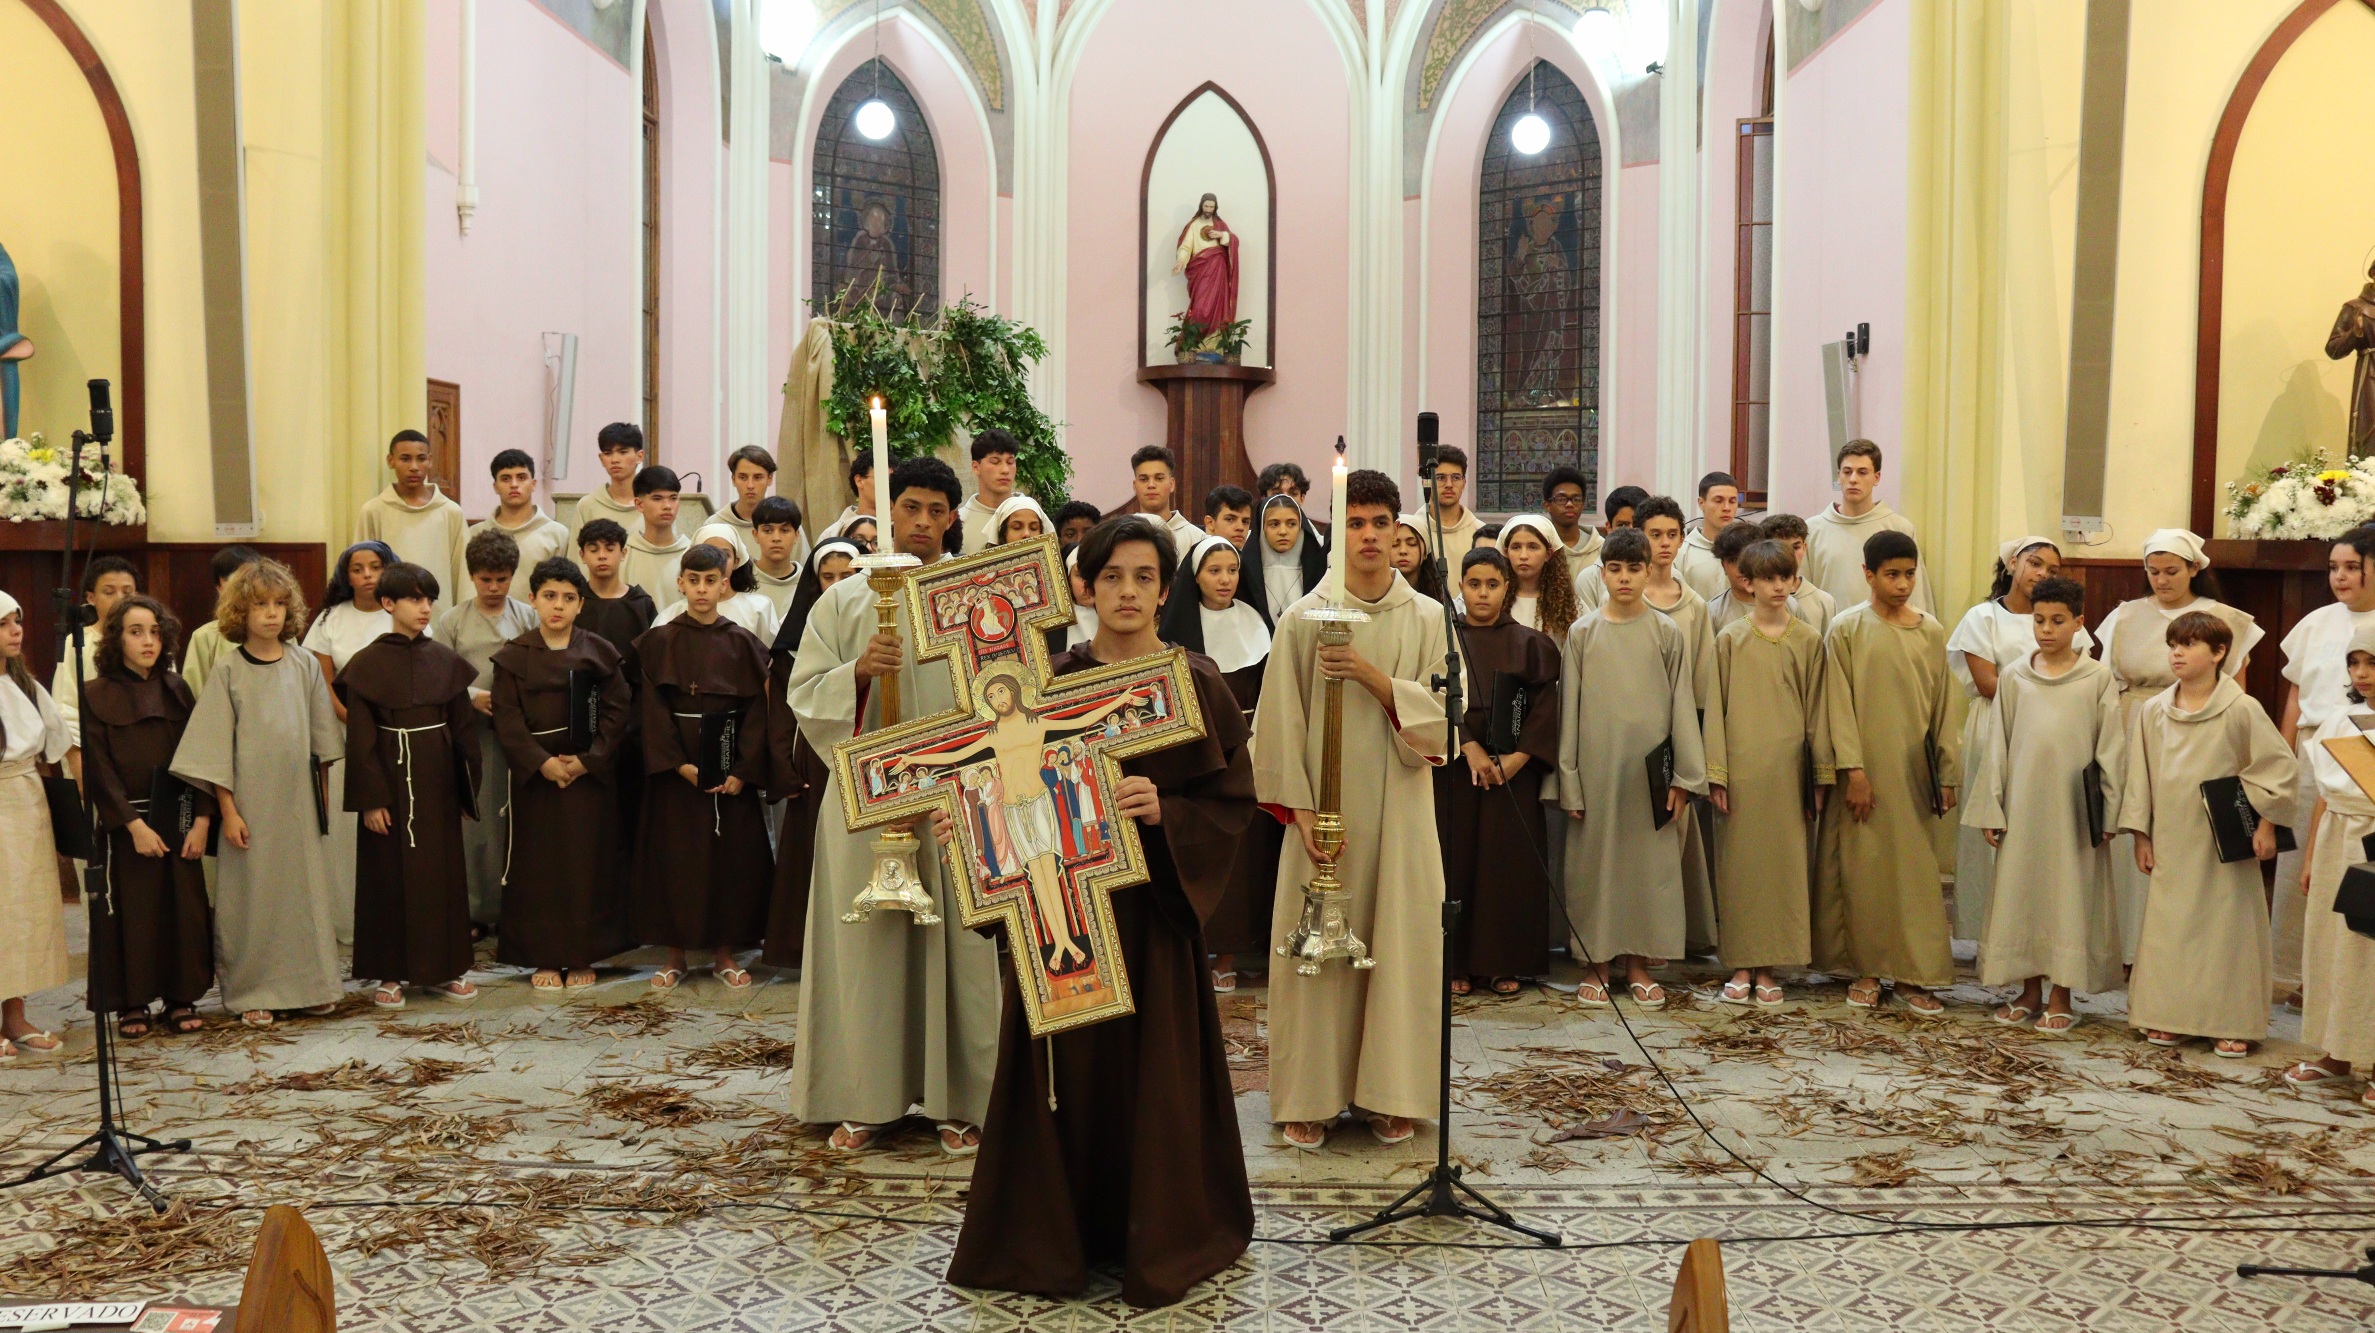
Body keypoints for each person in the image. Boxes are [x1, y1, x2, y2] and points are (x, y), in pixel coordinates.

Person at [945, 517, 1258, 1309]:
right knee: (1062, 1077)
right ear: (1084, 585)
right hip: (1065, 921)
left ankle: (1161, 1232)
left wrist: (1167, 810)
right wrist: (970, 825)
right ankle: (1056, 1236)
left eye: (1143, 577)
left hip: (1151, 915)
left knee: (1154, 1075)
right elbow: (1001, 790)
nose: (1126, 591)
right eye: (1110, 575)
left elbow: (1232, 804)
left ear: (1164, 588)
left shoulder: (1193, 679)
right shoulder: (1042, 683)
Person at [785, 456, 1000, 1156]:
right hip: (864, 803)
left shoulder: (976, 599)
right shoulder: (844, 600)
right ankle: (863, 1096)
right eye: (912, 507)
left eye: (938, 512)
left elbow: (1003, 694)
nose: (924, 523)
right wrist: (855, 673)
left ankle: (962, 1098)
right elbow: (803, 690)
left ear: (953, 518)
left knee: (960, 949)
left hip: (954, 800)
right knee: (865, 953)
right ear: (887, 507)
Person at [1254, 468, 1449, 1151]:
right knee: (1313, 953)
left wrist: (1367, 673)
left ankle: (1390, 1093)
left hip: (1400, 813)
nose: (1368, 535)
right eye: (1355, 523)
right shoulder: (1303, 616)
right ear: (1338, 532)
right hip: (1321, 819)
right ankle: (1307, 1095)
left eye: (1379, 523)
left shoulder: (1426, 617)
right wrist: (1300, 812)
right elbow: (1277, 721)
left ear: (1399, 531)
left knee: (1399, 944)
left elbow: (1442, 727)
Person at [172, 560, 345, 1028]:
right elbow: (213, 749)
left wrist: (322, 801)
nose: (271, 614)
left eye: (279, 604)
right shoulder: (228, 671)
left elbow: (322, 744)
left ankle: (311, 985)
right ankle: (253, 991)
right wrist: (227, 811)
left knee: (303, 894)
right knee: (252, 899)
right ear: (239, 612)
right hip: (249, 805)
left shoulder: (305, 663)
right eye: (260, 605)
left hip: (298, 804)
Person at [2122, 611, 2295, 1056]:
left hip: (2224, 839)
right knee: (2171, 925)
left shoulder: (2242, 708)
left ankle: (2230, 1019)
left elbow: (2277, 766)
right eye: (2173, 644)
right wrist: (2142, 835)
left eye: (2190, 644)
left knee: (2226, 929)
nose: (2177, 652)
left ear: (2220, 653)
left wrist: (2268, 824)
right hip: (2173, 837)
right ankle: (2167, 1014)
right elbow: (2139, 776)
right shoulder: (2154, 710)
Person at [1963, 577, 2124, 1033]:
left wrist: (2109, 813)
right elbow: (1999, 745)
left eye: (2057, 621)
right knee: (2023, 892)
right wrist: (1992, 807)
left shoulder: (2097, 677)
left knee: (2068, 897)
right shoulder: (2015, 675)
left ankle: (2061, 995)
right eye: (2038, 621)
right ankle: (2029, 990)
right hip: (2024, 806)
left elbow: (2111, 747)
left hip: (2073, 812)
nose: (2046, 630)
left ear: (2079, 623)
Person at [1557, 527, 1705, 1008]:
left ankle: (1638, 962)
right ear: (1601, 574)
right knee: (1594, 865)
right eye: (1615, 569)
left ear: (1649, 571)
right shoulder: (1582, 634)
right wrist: (1569, 783)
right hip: (1597, 771)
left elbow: (1682, 704)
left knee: (1648, 867)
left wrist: (1685, 777)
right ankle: (1596, 962)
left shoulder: (1666, 631)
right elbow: (1569, 713)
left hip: (1650, 775)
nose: (1624, 578)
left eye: (1634, 568)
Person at [2099, 528, 2262, 966]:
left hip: (2198, 733)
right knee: (2137, 824)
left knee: (2186, 836)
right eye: (2152, 571)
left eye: (2171, 571)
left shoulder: (2221, 617)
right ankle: (2131, 947)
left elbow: (2236, 692)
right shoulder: (2127, 615)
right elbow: (2107, 683)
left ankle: (2182, 951)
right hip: (2134, 723)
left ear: (2194, 568)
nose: (2161, 580)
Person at [1814, 530, 1958, 1016]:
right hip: (1865, 773)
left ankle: (1915, 971)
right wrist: (1853, 771)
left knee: (1915, 875)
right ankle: (1868, 969)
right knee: (1865, 872)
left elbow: (1942, 707)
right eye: (1892, 574)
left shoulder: (1931, 632)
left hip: (1914, 774)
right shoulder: (1847, 629)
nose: (1902, 584)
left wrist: (1947, 773)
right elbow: (1838, 703)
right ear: (1868, 575)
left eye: (1909, 574)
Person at [632, 544, 774, 991]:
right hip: (678, 775)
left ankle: (725, 953)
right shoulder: (659, 642)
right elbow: (651, 710)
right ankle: (675, 955)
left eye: (710, 581)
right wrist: (678, 764)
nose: (701, 589)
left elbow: (756, 712)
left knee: (729, 862)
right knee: (676, 860)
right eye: (692, 581)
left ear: (723, 583)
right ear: (680, 583)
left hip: (730, 773)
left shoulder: (741, 642)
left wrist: (743, 770)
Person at [343, 563, 482, 1010]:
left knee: (441, 875)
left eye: (429, 599)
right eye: (415, 599)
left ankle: (447, 969)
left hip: (438, 783)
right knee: (387, 876)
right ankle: (390, 972)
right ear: (388, 604)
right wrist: (371, 800)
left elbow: (463, 731)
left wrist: (466, 789)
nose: (425, 608)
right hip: (388, 785)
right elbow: (360, 739)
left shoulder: (444, 661)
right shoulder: (366, 666)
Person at [491, 558, 633, 991]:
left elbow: (617, 710)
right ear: (532, 599)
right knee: (541, 867)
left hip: (587, 775)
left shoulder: (599, 652)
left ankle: (583, 954)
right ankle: (545, 957)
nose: (558, 606)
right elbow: (507, 718)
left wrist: (588, 760)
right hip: (538, 777)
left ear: (580, 604)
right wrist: (542, 762)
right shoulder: (514, 655)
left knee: (586, 862)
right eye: (549, 596)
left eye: (568, 598)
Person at [1946, 537, 2095, 940]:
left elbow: (2078, 676)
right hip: (1995, 726)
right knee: (1991, 828)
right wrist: (2039, 699)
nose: (2043, 573)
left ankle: (2038, 931)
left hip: (2051, 736)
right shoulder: (1983, 617)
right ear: (2013, 564)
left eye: (2052, 568)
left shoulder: (2063, 621)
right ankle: (1986, 933)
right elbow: (1987, 681)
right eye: (2035, 563)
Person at [81, 595, 215, 1039]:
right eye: (136, 632)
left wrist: (201, 820)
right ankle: (132, 1001)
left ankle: (181, 998)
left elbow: (200, 760)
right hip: (129, 825)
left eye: (156, 632)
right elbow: (98, 769)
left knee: (185, 910)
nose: (148, 641)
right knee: (133, 913)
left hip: (178, 816)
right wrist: (133, 826)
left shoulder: (177, 690)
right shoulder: (96, 694)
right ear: (116, 637)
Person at [1708, 540, 1829, 1008]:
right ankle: (1742, 962)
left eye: (1787, 578)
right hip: (1741, 771)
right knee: (1741, 867)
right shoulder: (1730, 639)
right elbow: (1715, 711)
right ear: (1748, 583)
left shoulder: (1809, 640)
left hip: (1788, 774)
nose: (1779, 587)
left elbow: (1819, 710)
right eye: (1769, 579)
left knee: (1783, 866)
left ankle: (1772, 965)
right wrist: (1716, 773)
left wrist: (1819, 776)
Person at [1439, 547, 1559, 996]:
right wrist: (1468, 747)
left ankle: (1505, 962)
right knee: (1458, 862)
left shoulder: (1530, 642)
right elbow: (1436, 702)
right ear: (1461, 587)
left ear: (1507, 588)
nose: (1483, 594)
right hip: (1458, 769)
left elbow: (1546, 708)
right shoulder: (1445, 641)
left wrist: (1519, 757)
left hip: (1514, 772)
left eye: (1492, 584)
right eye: (1474, 584)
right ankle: (1456, 963)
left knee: (1507, 866)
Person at [1159, 533, 1276, 992]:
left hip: (1245, 749)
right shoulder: (1176, 629)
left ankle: (1228, 954)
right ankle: (1193, 951)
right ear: (1195, 576)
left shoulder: (1256, 623)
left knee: (1240, 859)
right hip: (1191, 757)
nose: (1224, 579)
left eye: (1231, 570)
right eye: (1214, 570)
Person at [2274, 527, 2375, 1005]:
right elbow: (2297, 694)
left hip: (2368, 752)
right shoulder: (2317, 622)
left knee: (2354, 868)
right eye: (2334, 567)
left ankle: (2347, 983)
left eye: (2352, 567)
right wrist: (2283, 752)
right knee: (2302, 864)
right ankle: (2296, 973)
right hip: (2316, 745)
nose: (2340, 577)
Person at [760, 537, 863, 972]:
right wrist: (782, 764)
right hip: (815, 756)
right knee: (811, 851)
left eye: (848, 575)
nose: (837, 584)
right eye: (828, 576)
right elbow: (784, 706)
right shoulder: (796, 635)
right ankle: (805, 949)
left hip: (862, 746)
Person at [432, 529, 538, 937]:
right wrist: (473, 695)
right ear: (472, 576)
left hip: (515, 735)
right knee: (475, 826)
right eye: (485, 579)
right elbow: (438, 674)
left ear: (513, 576)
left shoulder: (527, 617)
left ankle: (512, 907)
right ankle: (475, 911)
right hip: (471, 735)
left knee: (512, 821)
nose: (493, 588)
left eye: (502, 579)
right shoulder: (452, 620)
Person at [2286, 623, 2375, 1100]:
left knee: (2370, 952)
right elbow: (2323, 794)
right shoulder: (2342, 720)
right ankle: (2335, 1052)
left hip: (2373, 840)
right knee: (2330, 945)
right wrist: (2311, 858)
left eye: (2373, 662)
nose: (2362, 673)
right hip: (2338, 835)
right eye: (2355, 662)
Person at [303, 540, 403, 944]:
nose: (366, 576)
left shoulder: (402, 612)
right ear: (346, 576)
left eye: (375, 567)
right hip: (342, 732)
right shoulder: (330, 618)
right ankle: (344, 919)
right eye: (357, 569)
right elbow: (321, 678)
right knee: (346, 830)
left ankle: (389, 915)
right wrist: (348, 715)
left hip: (393, 732)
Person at [0, 590, 72, 1057]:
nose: (15, 631)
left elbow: (58, 747)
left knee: (23, 909)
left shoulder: (25, 684)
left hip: (24, 801)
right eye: (4, 624)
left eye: (17, 622)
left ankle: (14, 1014)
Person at [1803, 440, 1934, 615]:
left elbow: (1915, 595)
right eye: (1847, 472)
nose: (1853, 479)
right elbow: (1803, 594)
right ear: (1838, 476)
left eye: (1862, 472)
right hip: (1829, 635)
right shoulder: (1812, 530)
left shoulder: (1898, 528)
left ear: (1876, 477)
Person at [355, 429, 470, 607]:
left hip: (439, 613)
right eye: (405, 459)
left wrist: (461, 617)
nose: (414, 467)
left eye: (421, 458)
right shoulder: (373, 511)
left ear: (430, 460)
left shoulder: (450, 512)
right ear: (390, 460)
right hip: (389, 614)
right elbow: (363, 568)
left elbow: (462, 572)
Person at [50, 555, 139, 745]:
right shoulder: (76, 641)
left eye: (128, 592)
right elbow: (65, 705)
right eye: (109, 592)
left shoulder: (152, 640)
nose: (120, 599)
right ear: (91, 598)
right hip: (95, 746)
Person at [472, 448, 571, 587]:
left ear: (533, 484)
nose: (514, 485)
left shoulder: (558, 534)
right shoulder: (476, 534)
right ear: (495, 487)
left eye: (521, 477)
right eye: (505, 479)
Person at [180, 545, 262, 696]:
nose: (242, 588)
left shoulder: (279, 631)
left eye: (248, 580)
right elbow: (194, 693)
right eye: (233, 580)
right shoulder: (204, 637)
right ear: (219, 587)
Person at [1244, 493, 1327, 628]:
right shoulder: (1245, 572)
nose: (1283, 531)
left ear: (1300, 527)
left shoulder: (1317, 571)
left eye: (1291, 524)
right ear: (1262, 528)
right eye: (1274, 524)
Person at [564, 422, 649, 554]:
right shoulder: (588, 505)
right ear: (601, 458)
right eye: (608, 453)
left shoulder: (653, 504)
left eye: (623, 452)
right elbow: (576, 559)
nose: (615, 459)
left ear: (639, 456)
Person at [1496, 514, 1577, 643]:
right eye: (1516, 547)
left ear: (1548, 554)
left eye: (1532, 547)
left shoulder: (1569, 605)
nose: (1523, 555)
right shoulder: (1494, 599)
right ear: (1506, 552)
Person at [1755, 513, 1835, 634]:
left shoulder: (1823, 601)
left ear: (1804, 547)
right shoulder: (1755, 595)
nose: (1789, 555)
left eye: (1796, 547)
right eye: (1781, 547)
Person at [623, 466, 692, 604]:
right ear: (639, 504)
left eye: (673, 498)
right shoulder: (624, 554)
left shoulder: (691, 552)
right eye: (657, 498)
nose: (667, 506)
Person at [1122, 445, 1206, 550]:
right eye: (1144, 479)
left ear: (1172, 484)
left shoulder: (1197, 538)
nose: (1151, 485)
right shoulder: (1121, 534)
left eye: (1159, 478)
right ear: (1135, 486)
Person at [711, 445, 784, 564]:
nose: (750, 485)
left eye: (758, 477)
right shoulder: (714, 525)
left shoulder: (786, 524)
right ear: (734, 479)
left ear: (769, 479)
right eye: (743, 477)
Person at [1675, 471, 1742, 601]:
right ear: (1701, 503)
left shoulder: (1748, 548)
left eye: (1732, 501)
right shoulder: (1682, 552)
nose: (1727, 508)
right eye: (1718, 501)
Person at [958, 430, 1021, 555]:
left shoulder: (1031, 515)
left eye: (1010, 462)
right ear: (976, 467)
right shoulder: (960, 523)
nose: (1005, 470)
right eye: (995, 462)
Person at [745, 495, 805, 619]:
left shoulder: (808, 583)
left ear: (796, 535)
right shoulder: (742, 581)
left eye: (784, 530)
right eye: (767, 531)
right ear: (755, 535)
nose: (776, 538)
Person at [1423, 446, 1483, 560]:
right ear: (1426, 482)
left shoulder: (1479, 532)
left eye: (1456, 477)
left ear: (1464, 483)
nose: (1449, 484)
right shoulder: (1414, 531)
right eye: (1441, 478)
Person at [1540, 465, 1602, 569]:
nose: (1570, 504)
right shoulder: (1537, 546)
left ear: (1583, 504)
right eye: (1561, 499)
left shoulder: (1600, 548)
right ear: (1547, 505)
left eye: (1576, 499)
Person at [815, 449, 879, 542]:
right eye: (884, 479)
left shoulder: (899, 530)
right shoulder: (832, 535)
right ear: (859, 481)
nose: (890, 486)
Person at [1390, 514, 1450, 605]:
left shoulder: (1440, 602)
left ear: (1425, 552)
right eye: (1395, 544)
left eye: (1412, 544)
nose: (1403, 551)